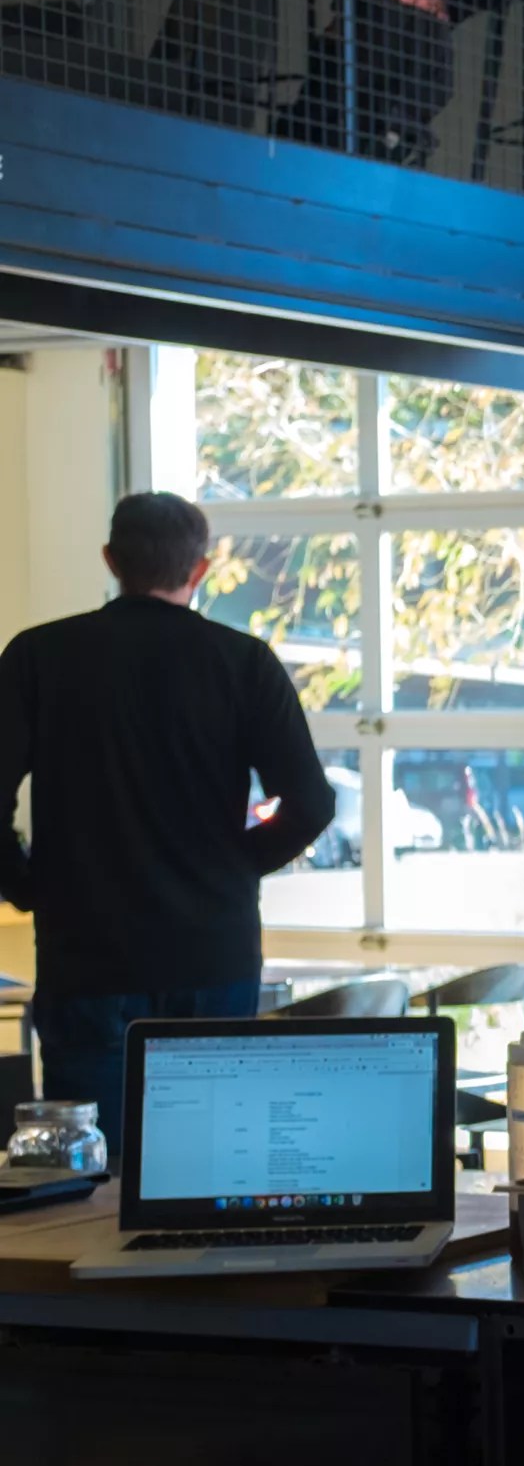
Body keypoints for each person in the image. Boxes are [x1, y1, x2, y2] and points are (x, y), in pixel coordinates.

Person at [0, 492, 334, 1149]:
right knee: (213, 1161)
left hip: (86, 959)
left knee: (95, 1173)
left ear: (110, 560)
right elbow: (312, 803)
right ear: (200, 569)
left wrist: (29, 886)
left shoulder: (38, 656)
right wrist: (234, 867)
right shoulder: (242, 662)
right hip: (213, 953)